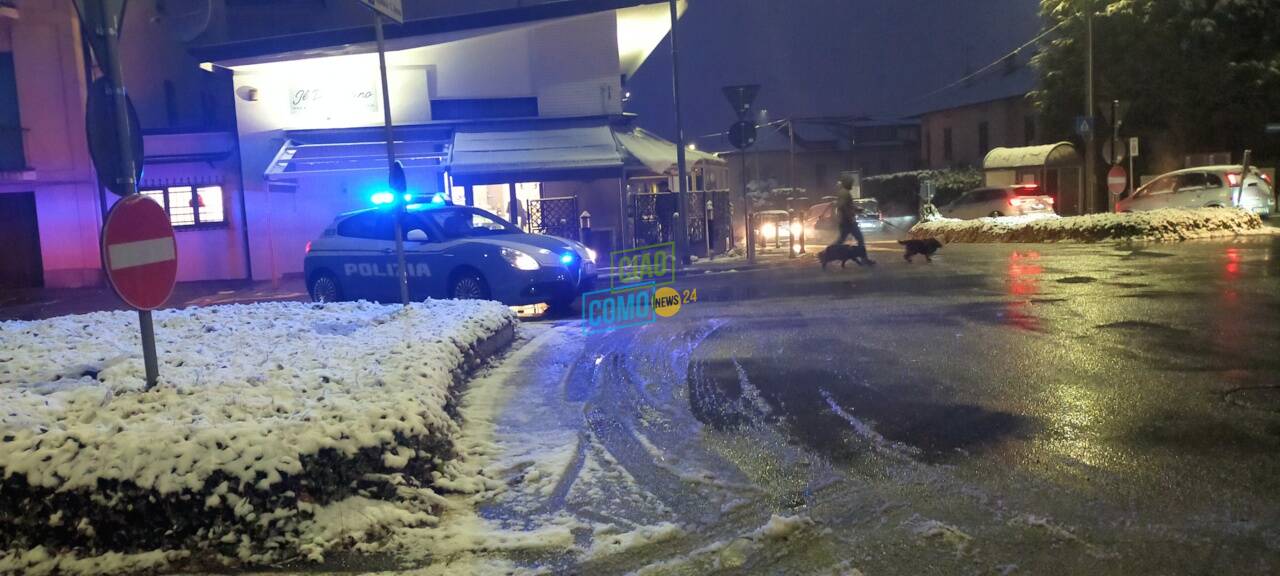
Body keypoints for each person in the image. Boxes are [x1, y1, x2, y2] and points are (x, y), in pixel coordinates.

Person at [834, 174, 865, 246]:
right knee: (859, 238)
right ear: (847, 183)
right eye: (851, 183)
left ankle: (827, 253)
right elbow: (843, 206)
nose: (852, 185)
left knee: (841, 240)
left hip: (846, 221)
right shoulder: (845, 193)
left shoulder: (844, 192)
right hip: (847, 221)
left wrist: (857, 209)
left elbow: (848, 206)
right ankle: (826, 253)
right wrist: (850, 217)